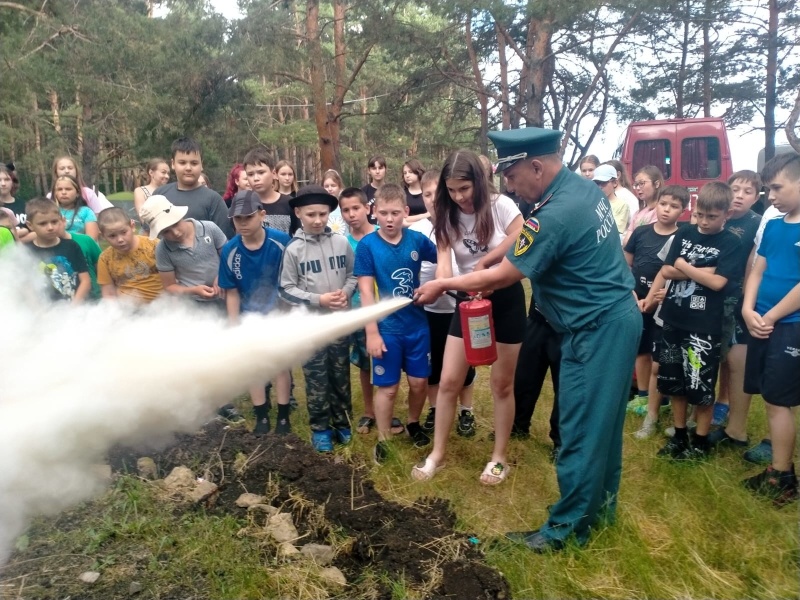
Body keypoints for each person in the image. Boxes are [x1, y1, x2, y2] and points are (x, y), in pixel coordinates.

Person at [414, 127, 641, 552]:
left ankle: (565, 530)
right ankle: (601, 511)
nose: (509, 187)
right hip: (610, 320)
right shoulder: (582, 190)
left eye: (513, 177)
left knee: (581, 430)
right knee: (604, 428)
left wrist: (445, 285)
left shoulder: (554, 212)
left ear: (536, 166)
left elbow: (505, 276)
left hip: (594, 329)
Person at [411, 150, 525, 485]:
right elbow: (445, 266)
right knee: (448, 381)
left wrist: (486, 263)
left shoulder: (501, 204)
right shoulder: (446, 216)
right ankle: (437, 453)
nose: (459, 197)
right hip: (468, 302)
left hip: (506, 301)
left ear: (478, 181)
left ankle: (499, 458)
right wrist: (441, 284)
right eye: (452, 190)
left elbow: (525, 235)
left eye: (465, 188)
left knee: (501, 384)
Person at [655, 182, 741, 461]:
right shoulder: (685, 232)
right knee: (673, 380)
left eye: (712, 217)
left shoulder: (731, 243)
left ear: (726, 214)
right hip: (672, 319)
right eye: (700, 214)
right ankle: (679, 434)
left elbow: (718, 283)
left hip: (703, 326)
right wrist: (698, 271)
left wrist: (684, 265)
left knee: (700, 384)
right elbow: (667, 270)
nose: (704, 222)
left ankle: (700, 441)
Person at [354, 183, 438, 463]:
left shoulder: (416, 240)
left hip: (417, 327)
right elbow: (366, 290)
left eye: (395, 213)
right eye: (384, 213)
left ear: (405, 212)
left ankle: (413, 422)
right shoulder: (368, 245)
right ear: (374, 212)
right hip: (386, 330)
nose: (389, 219)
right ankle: (383, 438)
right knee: (388, 388)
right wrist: (371, 332)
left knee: (418, 382)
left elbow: (445, 257)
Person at [740, 152, 800, 505]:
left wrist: (772, 315)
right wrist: (749, 309)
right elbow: (758, 270)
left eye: (777, 188)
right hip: (761, 321)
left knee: (779, 402)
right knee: (769, 398)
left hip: (789, 325)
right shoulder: (775, 225)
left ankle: (783, 477)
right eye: (768, 190)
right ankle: (779, 467)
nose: (771, 196)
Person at [279, 185, 357, 452]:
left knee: (340, 374)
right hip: (311, 327)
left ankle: (343, 423)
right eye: (311, 214)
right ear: (299, 213)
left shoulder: (341, 242)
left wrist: (345, 293)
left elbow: (353, 274)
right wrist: (318, 299)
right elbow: (286, 289)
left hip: (338, 323)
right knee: (316, 378)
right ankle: (320, 428)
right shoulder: (293, 250)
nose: (317, 220)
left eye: (323, 214)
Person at [218, 192, 292, 436]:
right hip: (248, 316)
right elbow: (231, 292)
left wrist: (284, 315)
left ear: (262, 215)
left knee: (281, 364)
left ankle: (283, 414)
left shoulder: (282, 242)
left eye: (248, 217)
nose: (242, 223)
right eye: (237, 219)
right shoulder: (230, 250)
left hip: (278, 313)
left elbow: (289, 283)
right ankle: (261, 414)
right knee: (255, 366)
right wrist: (234, 325)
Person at [410, 170, 476, 437]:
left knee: (466, 363)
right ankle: (436, 408)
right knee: (433, 363)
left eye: (437, 194)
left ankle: (466, 411)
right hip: (429, 310)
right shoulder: (417, 231)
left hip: (460, 307)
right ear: (421, 197)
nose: (432, 200)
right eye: (427, 195)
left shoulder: (462, 223)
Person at [623, 185, 688, 437]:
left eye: (673, 207)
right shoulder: (640, 232)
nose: (666, 210)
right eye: (663, 204)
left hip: (665, 305)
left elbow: (680, 273)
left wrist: (666, 295)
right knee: (641, 349)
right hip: (637, 300)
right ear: (656, 204)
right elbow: (625, 264)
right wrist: (631, 291)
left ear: (682, 210)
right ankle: (642, 396)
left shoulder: (683, 235)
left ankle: (663, 399)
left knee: (660, 356)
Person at [707, 170, 764, 435]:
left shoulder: (757, 224)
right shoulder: (717, 217)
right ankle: (715, 399)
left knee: (733, 355)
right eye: (736, 189)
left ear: (756, 197)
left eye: (747, 191)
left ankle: (725, 400)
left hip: (739, 296)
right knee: (715, 351)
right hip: (711, 292)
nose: (740, 196)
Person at [339, 187, 385, 435]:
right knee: (366, 365)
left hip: (384, 313)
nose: (351, 214)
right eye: (345, 210)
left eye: (356, 208)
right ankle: (369, 411)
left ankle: (387, 410)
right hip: (357, 312)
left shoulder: (383, 235)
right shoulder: (343, 243)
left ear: (368, 208)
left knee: (386, 362)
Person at [144, 198, 228, 307]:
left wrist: (221, 276)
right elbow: (169, 286)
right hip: (192, 304)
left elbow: (229, 257)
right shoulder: (162, 250)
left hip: (226, 292)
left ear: (180, 216)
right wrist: (194, 290)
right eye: (166, 231)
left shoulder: (209, 228)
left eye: (175, 224)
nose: (175, 233)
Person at [154, 138, 233, 238]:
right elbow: (151, 236)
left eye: (194, 163)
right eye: (182, 163)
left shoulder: (213, 200)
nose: (188, 168)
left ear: (201, 164)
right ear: (173, 164)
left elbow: (226, 240)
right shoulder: (160, 195)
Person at [24, 198, 90, 303]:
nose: (50, 227)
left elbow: (85, 280)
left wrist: (75, 306)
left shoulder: (72, 246)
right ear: (30, 225)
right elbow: (27, 287)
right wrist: (38, 311)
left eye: (54, 222)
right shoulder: (26, 252)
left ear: (60, 219)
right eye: (43, 223)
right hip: (43, 311)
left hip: (74, 308)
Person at [96, 206, 163, 303]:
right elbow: (108, 292)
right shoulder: (105, 259)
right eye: (112, 236)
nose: (120, 239)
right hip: (127, 309)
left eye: (124, 232)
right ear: (103, 236)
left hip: (162, 305)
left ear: (132, 226)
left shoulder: (154, 245)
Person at [242, 148, 299, 236]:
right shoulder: (243, 205)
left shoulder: (290, 203)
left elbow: (298, 237)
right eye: (250, 174)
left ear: (274, 174)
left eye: (261, 172)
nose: (256, 178)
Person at [623, 165, 665, 246]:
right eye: (636, 185)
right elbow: (626, 242)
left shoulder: (661, 211)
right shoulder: (638, 213)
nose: (638, 188)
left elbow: (649, 239)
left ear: (656, 184)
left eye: (642, 183)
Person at [52, 175, 100, 240]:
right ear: (55, 193)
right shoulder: (50, 212)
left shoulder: (86, 212)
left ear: (78, 193)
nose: (63, 192)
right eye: (59, 189)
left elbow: (91, 240)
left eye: (68, 189)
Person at [592, 164, 631, 239]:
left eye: (604, 182)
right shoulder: (592, 203)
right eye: (597, 183)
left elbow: (617, 231)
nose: (600, 186)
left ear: (615, 183)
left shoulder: (622, 205)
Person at [133, 158, 171, 225]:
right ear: (151, 172)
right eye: (163, 172)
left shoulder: (170, 190)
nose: (167, 176)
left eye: (168, 173)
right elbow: (142, 217)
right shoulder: (140, 191)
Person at [361, 155, 387, 225]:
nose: (377, 171)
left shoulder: (392, 191)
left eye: (380, 168)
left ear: (385, 169)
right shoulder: (363, 192)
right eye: (374, 168)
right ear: (369, 171)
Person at [402, 159, 428, 224]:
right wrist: (425, 215)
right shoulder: (402, 194)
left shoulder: (428, 192)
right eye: (405, 173)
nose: (407, 175)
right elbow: (402, 218)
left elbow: (433, 214)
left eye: (410, 172)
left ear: (418, 172)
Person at [322, 169, 348, 235]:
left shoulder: (345, 205)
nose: (330, 189)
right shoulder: (320, 207)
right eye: (326, 186)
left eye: (333, 186)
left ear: (339, 187)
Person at [0, 164, 26, 229]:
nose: (3, 184)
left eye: (7, 179)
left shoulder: (24, 205)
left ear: (13, 182)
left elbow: (35, 233)